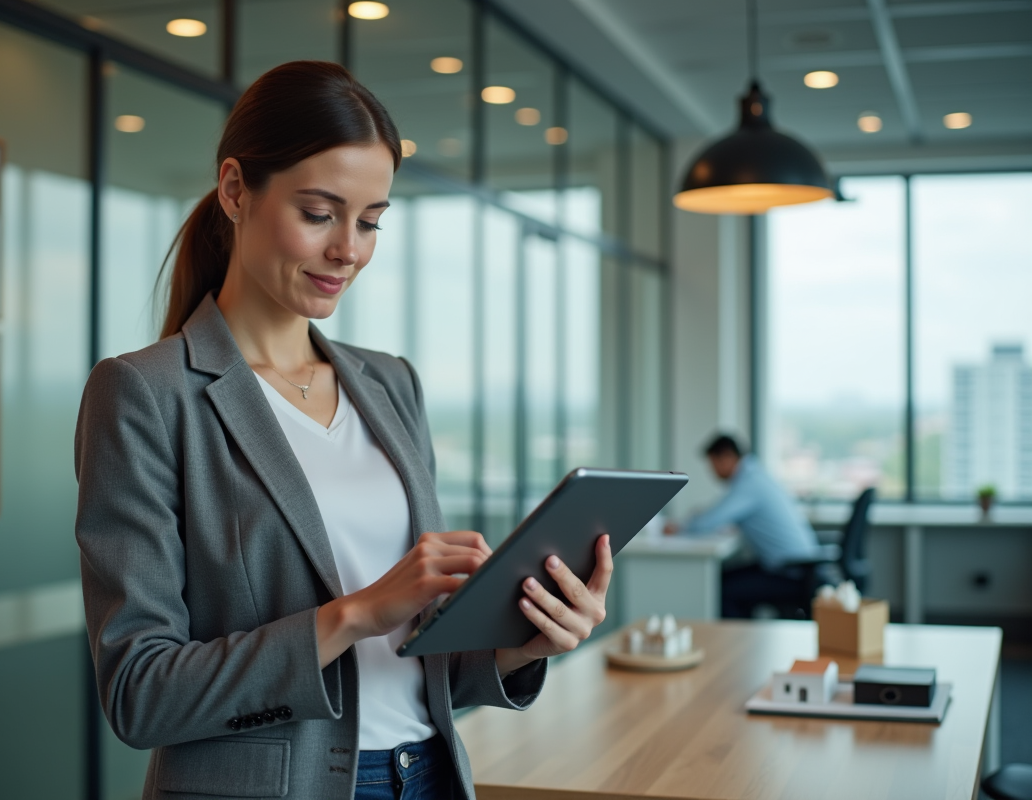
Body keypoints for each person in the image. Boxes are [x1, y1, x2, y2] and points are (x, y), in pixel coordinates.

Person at [74, 61, 612, 800]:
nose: (349, 250)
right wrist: (356, 613)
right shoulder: (146, 393)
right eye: (319, 213)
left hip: (428, 776)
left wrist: (523, 645)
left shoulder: (391, 384)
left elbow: (414, 668)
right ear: (235, 190)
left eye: (370, 221)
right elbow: (140, 693)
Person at [668, 434, 819, 618]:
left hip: (790, 572)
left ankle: (738, 635)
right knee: (723, 577)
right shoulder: (756, 475)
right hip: (796, 567)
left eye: (713, 464)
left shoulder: (749, 482)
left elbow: (709, 521)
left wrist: (680, 528)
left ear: (727, 457)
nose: (712, 471)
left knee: (721, 589)